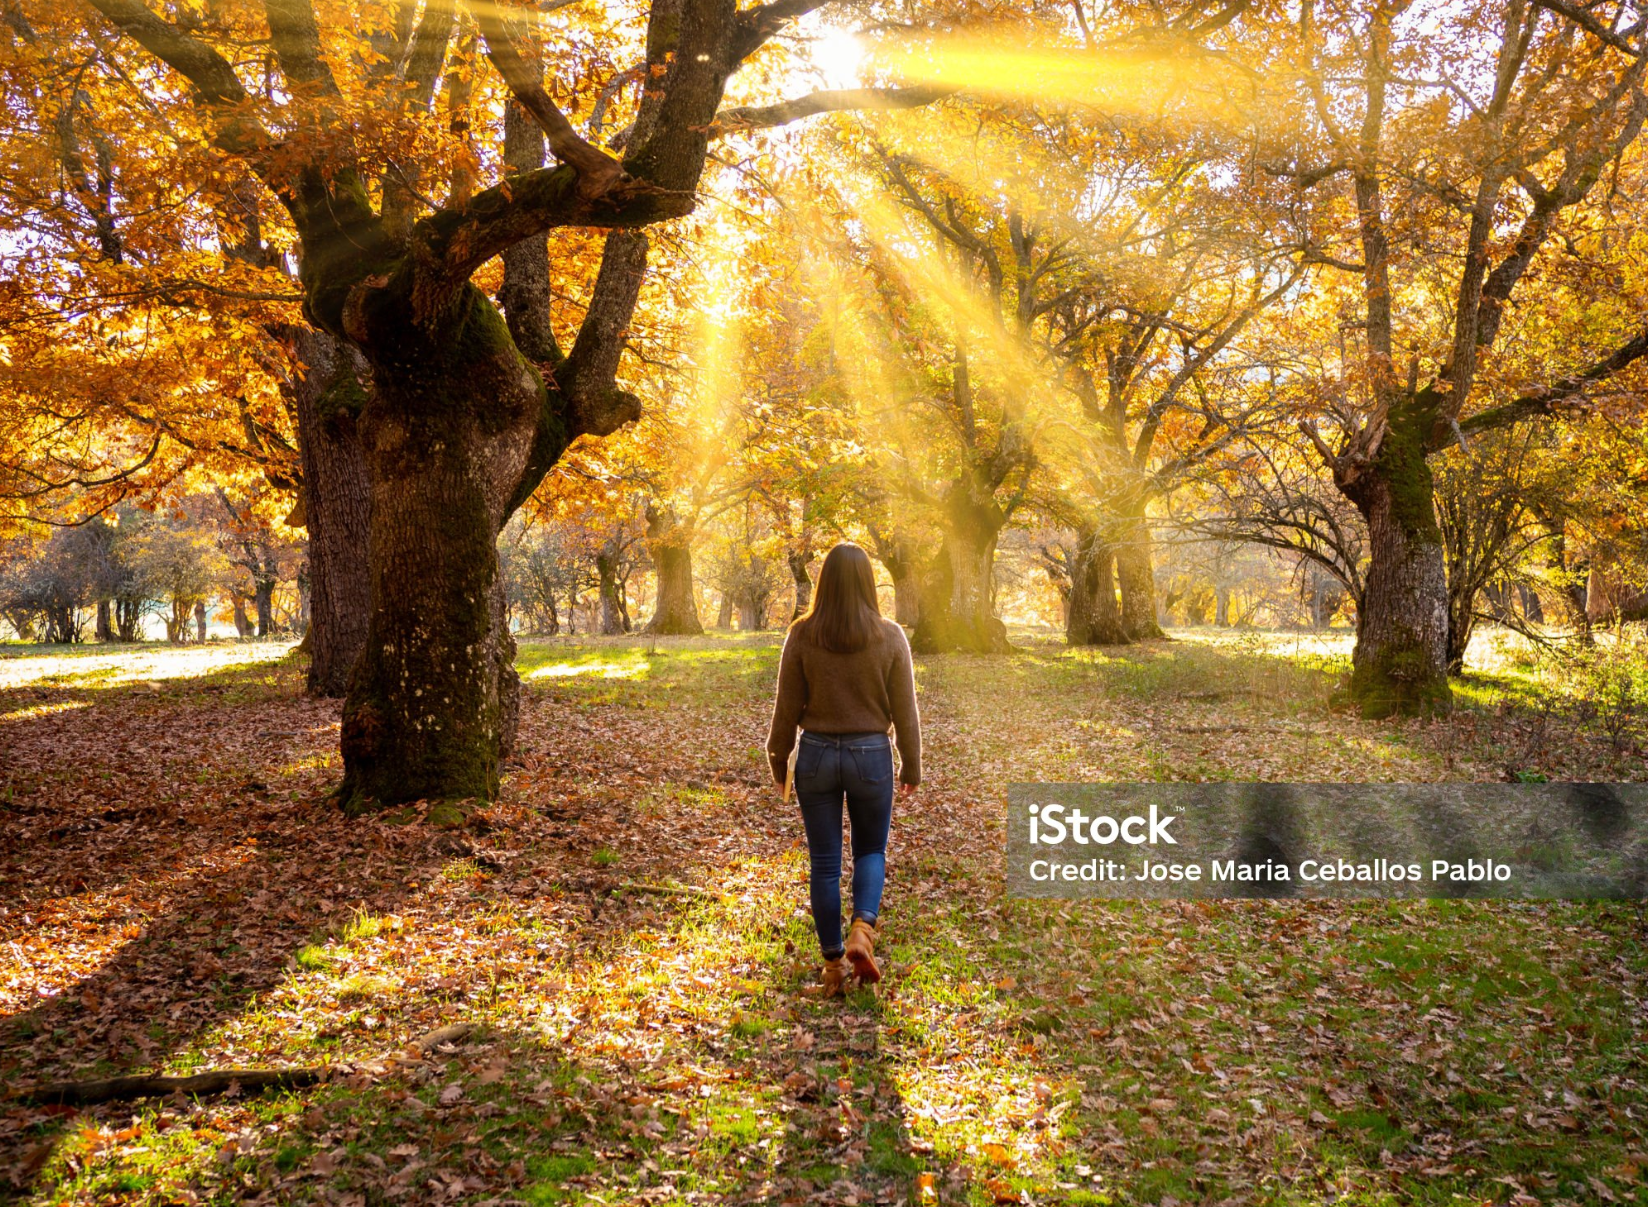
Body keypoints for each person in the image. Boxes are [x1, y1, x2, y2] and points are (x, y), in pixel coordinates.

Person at [766, 543, 921, 996]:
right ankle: (861, 931)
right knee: (871, 849)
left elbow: (785, 709)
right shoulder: (890, 636)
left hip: (816, 755)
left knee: (824, 863)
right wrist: (911, 764)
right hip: (870, 754)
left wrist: (778, 759)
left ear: (824, 583)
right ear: (869, 582)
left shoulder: (802, 634)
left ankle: (833, 966)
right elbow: (906, 711)